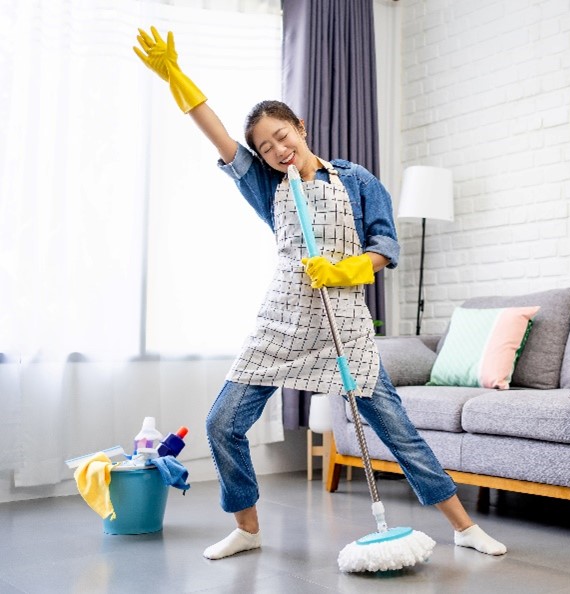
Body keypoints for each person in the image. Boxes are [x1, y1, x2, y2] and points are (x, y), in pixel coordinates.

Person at [133, 26, 506, 561]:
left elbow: (385, 246)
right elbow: (216, 133)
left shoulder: (356, 181)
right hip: (281, 325)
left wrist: (347, 268)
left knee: (399, 435)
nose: (277, 149)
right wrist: (176, 76)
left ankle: (464, 527)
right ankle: (248, 527)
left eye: (282, 135)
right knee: (222, 424)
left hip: (344, 328)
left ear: (300, 127)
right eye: (265, 146)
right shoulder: (266, 187)